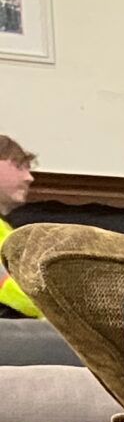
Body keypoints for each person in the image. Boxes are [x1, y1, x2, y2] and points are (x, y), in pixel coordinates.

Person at [0, 136, 38, 317]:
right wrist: (54, 313)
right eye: (19, 166)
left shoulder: (4, 229)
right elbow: (3, 285)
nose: (29, 178)